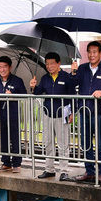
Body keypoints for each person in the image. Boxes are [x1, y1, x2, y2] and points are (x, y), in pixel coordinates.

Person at [70, 41, 101, 184]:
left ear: (100, 53)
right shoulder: (82, 68)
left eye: (95, 52)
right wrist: (73, 72)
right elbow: (73, 83)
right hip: (84, 111)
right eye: (89, 52)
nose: (92, 55)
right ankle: (89, 172)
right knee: (85, 143)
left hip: (100, 111)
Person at [31, 52, 76, 181]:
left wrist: (73, 112)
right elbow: (38, 93)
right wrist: (33, 87)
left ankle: (64, 170)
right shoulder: (45, 78)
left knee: (63, 144)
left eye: (52, 63)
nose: (49, 66)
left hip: (63, 114)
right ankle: (49, 169)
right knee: (48, 143)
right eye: (47, 64)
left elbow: (73, 96)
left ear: (58, 63)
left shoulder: (67, 77)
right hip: (48, 114)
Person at [0, 56, 27, 173]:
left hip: (13, 114)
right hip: (0, 114)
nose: (2, 69)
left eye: (5, 66)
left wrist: (13, 94)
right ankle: (6, 162)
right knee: (2, 139)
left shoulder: (17, 80)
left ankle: (17, 163)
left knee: (15, 139)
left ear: (10, 67)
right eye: (0, 67)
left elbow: (25, 95)